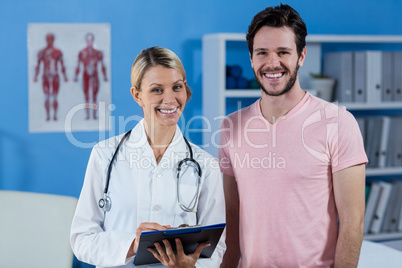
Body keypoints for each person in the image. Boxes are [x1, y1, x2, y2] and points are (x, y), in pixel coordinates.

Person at [219, 4, 367, 268]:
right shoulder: (232, 126)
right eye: (262, 52)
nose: (272, 63)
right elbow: (232, 217)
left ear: (301, 56)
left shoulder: (338, 122)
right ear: (251, 59)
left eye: (283, 52)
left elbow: (353, 223)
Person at [70, 47, 226, 268]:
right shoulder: (105, 155)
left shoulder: (205, 164)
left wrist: (191, 266)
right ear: (137, 95)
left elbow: (216, 247)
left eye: (177, 87)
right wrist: (133, 245)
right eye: (157, 90)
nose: (170, 99)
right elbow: (81, 240)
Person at [33, 33, 68, 121]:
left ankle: (55, 115)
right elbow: (38, 65)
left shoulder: (57, 52)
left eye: (51, 39)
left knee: (55, 96)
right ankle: (48, 115)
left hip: (55, 76)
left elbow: (62, 65)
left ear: (53, 40)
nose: (49, 41)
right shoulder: (42, 52)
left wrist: (65, 76)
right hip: (45, 76)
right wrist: (35, 76)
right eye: (48, 39)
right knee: (47, 96)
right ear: (46, 40)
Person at [74, 33, 108, 120]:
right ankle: (87, 115)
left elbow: (102, 65)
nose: (89, 42)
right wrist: (76, 75)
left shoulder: (98, 53)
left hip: (95, 75)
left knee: (94, 95)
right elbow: (78, 65)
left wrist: (104, 75)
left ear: (93, 40)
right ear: (86, 40)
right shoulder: (82, 53)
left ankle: (94, 115)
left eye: (91, 40)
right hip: (85, 74)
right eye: (88, 40)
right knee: (86, 95)